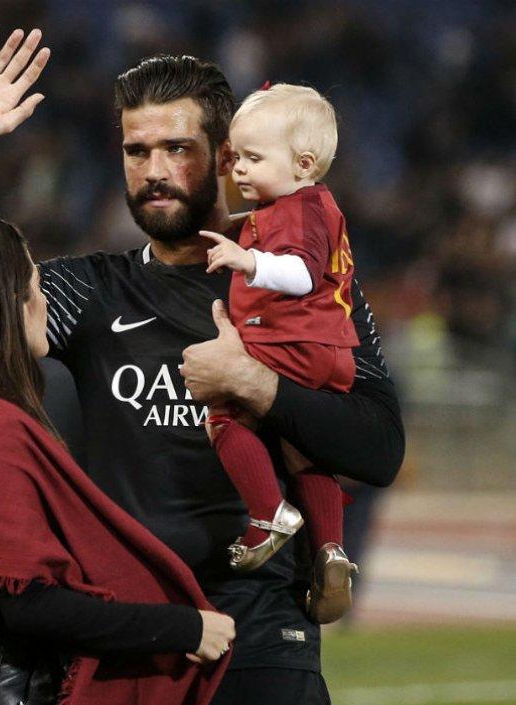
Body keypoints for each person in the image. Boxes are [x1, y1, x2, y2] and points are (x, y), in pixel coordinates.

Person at [0, 30, 404, 705]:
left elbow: (380, 447)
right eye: (136, 151)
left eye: (176, 149)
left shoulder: (303, 284)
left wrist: (256, 386)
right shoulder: (93, 290)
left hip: (263, 640)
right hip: (132, 639)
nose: (153, 169)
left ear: (226, 159)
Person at [0, 216, 234, 705]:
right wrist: (185, 627)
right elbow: (29, 605)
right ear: (1, 306)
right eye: (34, 288)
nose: (43, 303)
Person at [197, 83, 360, 624]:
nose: (238, 169)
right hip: (330, 348)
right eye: (235, 157)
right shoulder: (299, 205)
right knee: (303, 452)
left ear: (304, 163)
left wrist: (248, 263)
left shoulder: (297, 209)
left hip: (293, 339)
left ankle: (268, 515)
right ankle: (330, 551)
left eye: (252, 157)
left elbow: (302, 272)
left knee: (224, 411)